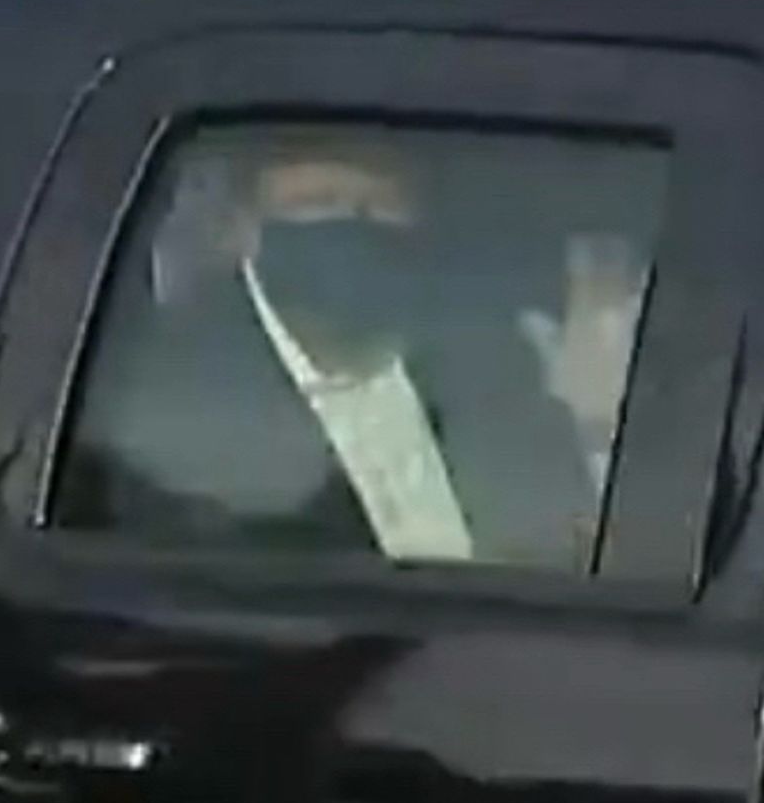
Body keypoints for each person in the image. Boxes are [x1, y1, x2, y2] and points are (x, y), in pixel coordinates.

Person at [58, 132, 599, 570]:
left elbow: (569, 550)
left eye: (378, 206)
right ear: (246, 227)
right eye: (320, 204)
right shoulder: (169, 401)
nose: (352, 229)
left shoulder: (488, 364)